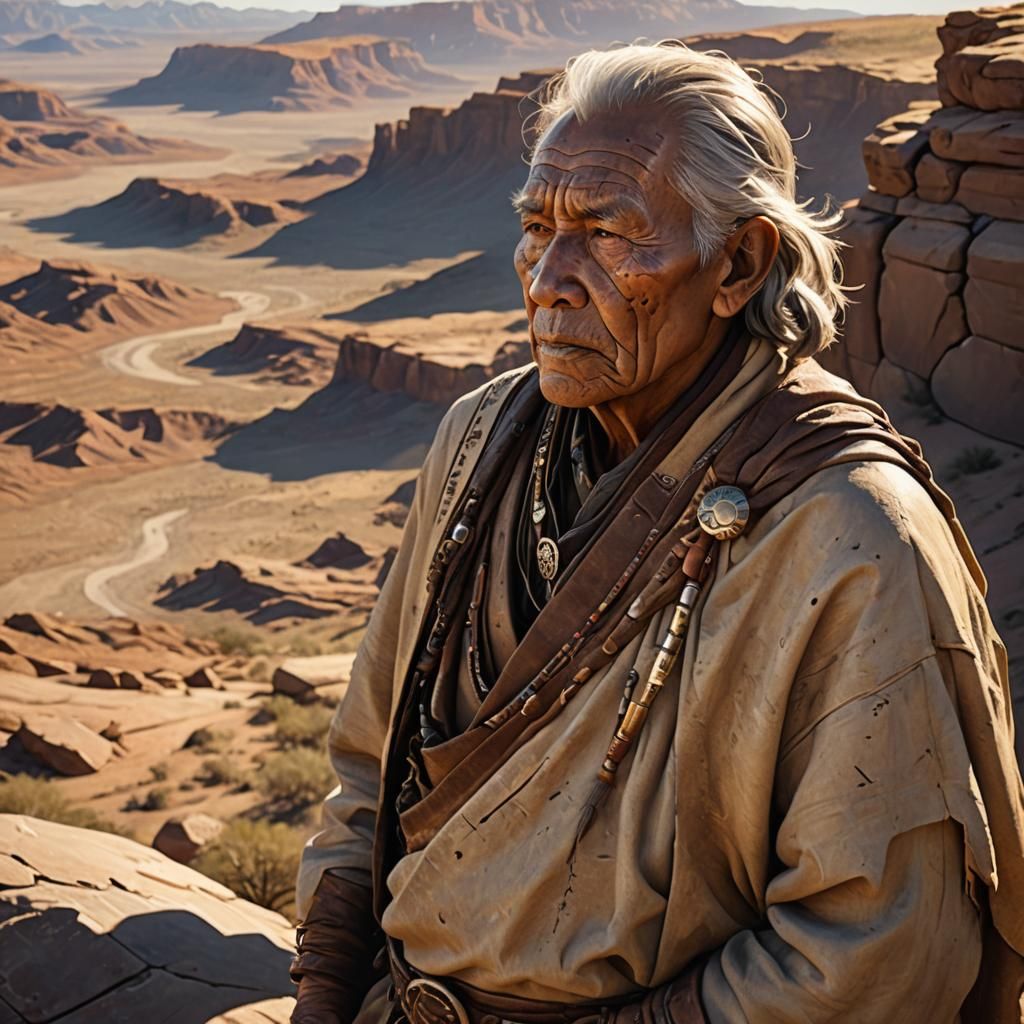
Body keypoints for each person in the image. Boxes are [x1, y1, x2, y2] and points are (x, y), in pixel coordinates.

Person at [289, 41, 1024, 1024]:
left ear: (738, 263)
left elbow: (882, 951)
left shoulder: (848, 530)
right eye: (536, 226)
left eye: (605, 233)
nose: (548, 278)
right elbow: (366, 773)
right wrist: (325, 991)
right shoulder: (478, 438)